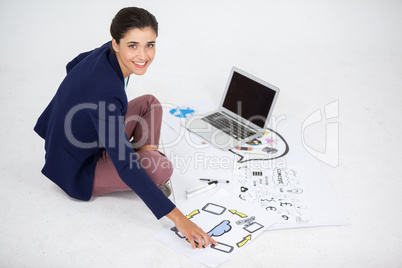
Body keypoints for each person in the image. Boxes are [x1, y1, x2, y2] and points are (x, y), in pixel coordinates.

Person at [34, 7, 217, 249]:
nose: (143, 55)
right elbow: (124, 164)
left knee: (150, 103)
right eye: (133, 46)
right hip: (77, 169)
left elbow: (72, 64)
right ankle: (142, 167)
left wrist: (86, 107)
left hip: (84, 138)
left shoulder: (105, 52)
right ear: (117, 43)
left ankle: (139, 156)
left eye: (149, 45)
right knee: (161, 168)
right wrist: (181, 219)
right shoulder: (108, 94)